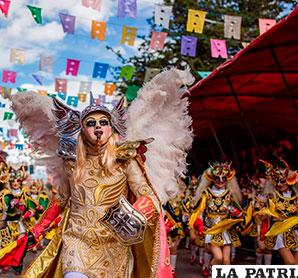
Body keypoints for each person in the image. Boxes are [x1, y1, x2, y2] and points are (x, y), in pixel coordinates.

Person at [12, 68, 194, 277]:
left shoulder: (125, 160)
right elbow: (61, 198)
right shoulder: (71, 163)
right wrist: (36, 230)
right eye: (91, 123)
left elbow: (149, 195)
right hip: (76, 243)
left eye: (103, 122)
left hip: (114, 247)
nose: (98, 127)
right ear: (82, 130)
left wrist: (134, 215)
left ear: (111, 127)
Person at [189, 162, 243, 277]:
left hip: (226, 231)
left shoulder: (230, 194)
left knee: (226, 262)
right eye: (217, 178)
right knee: (218, 258)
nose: (220, 181)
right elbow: (199, 212)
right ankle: (209, 268)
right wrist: (199, 225)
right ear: (212, 179)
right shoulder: (206, 194)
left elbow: (239, 213)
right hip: (212, 230)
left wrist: (237, 215)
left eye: (223, 178)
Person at [260, 159, 298, 264]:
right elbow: (265, 217)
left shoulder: (297, 197)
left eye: (282, 181)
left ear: (290, 180)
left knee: (297, 269)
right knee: (291, 263)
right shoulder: (273, 197)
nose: (280, 184)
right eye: (277, 181)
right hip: (279, 233)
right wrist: (262, 235)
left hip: (295, 233)